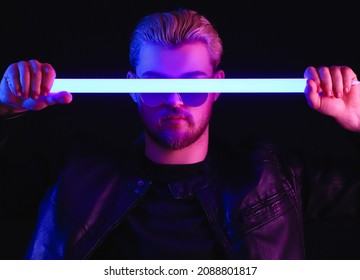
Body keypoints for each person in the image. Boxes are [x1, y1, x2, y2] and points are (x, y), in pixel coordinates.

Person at [1, 8, 360, 260]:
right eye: (156, 85)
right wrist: (4, 109)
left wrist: (358, 120)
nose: (175, 100)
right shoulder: (72, 175)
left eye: (192, 85)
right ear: (132, 87)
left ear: (218, 87)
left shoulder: (276, 180)